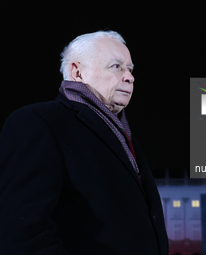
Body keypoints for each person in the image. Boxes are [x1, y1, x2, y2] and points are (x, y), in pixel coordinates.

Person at [0, 31, 169, 254]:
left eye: (130, 69)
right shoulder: (37, 122)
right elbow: (23, 233)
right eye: (116, 66)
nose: (129, 77)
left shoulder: (123, 135)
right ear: (77, 71)